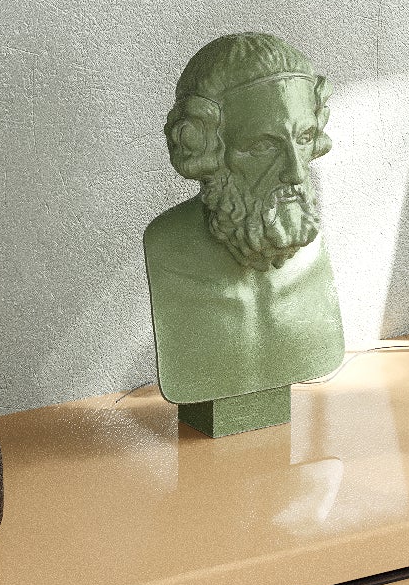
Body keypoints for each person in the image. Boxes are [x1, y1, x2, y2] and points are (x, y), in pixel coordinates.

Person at [142, 32, 346, 435]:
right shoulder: (167, 247)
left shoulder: (309, 237)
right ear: (208, 148)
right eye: (263, 147)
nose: (295, 172)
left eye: (304, 137)